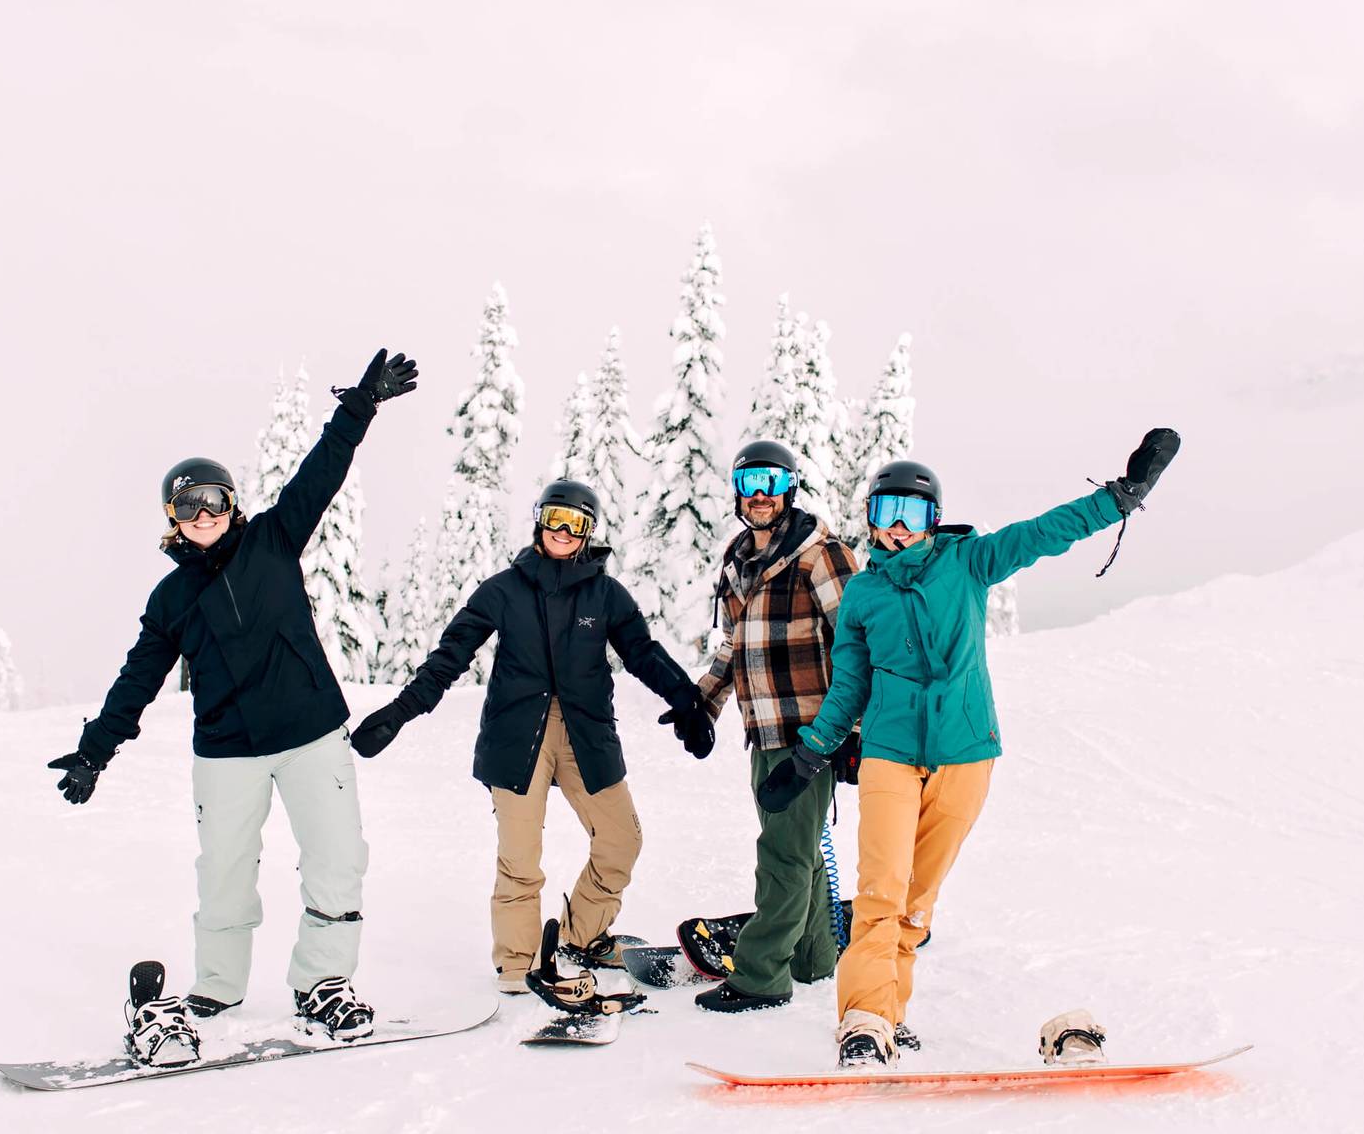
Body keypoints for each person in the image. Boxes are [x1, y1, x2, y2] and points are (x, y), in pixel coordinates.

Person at [757, 428, 1182, 1067]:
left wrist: (1119, 499)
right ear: (871, 520)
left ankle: (888, 1016)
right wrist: (811, 753)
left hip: (966, 757)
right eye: (886, 514)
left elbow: (1043, 532)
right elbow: (849, 688)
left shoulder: (969, 563)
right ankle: (866, 1021)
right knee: (880, 894)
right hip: (889, 757)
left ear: (933, 520)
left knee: (915, 903)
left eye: (912, 515)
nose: (898, 529)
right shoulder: (865, 596)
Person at [45, 348, 419, 1042]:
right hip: (228, 751)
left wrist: (360, 404)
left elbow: (323, 470)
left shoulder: (274, 539)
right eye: (189, 505)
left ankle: (323, 981)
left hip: (311, 734)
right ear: (173, 518)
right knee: (222, 870)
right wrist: (95, 751)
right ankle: (215, 988)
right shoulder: (171, 598)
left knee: (337, 858)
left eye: (214, 499)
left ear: (232, 504)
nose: (205, 512)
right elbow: (137, 679)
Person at [350, 479, 716, 993]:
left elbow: (643, 654)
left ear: (589, 533)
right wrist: (400, 710)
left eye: (576, 523)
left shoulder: (606, 594)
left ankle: (579, 937)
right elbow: (449, 657)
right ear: (539, 520)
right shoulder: (503, 589)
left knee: (621, 840)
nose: (563, 532)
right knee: (520, 861)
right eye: (555, 519)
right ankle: (518, 966)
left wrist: (688, 701)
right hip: (516, 737)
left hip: (588, 736)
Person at [689, 440, 862, 1013]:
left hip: (811, 736)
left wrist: (849, 734)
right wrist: (703, 704)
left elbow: (858, 648)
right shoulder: (740, 559)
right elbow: (735, 646)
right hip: (763, 732)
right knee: (800, 849)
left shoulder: (821, 556)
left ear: (790, 486)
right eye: (749, 481)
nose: (760, 492)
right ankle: (815, 958)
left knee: (783, 855)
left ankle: (763, 976)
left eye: (771, 480)